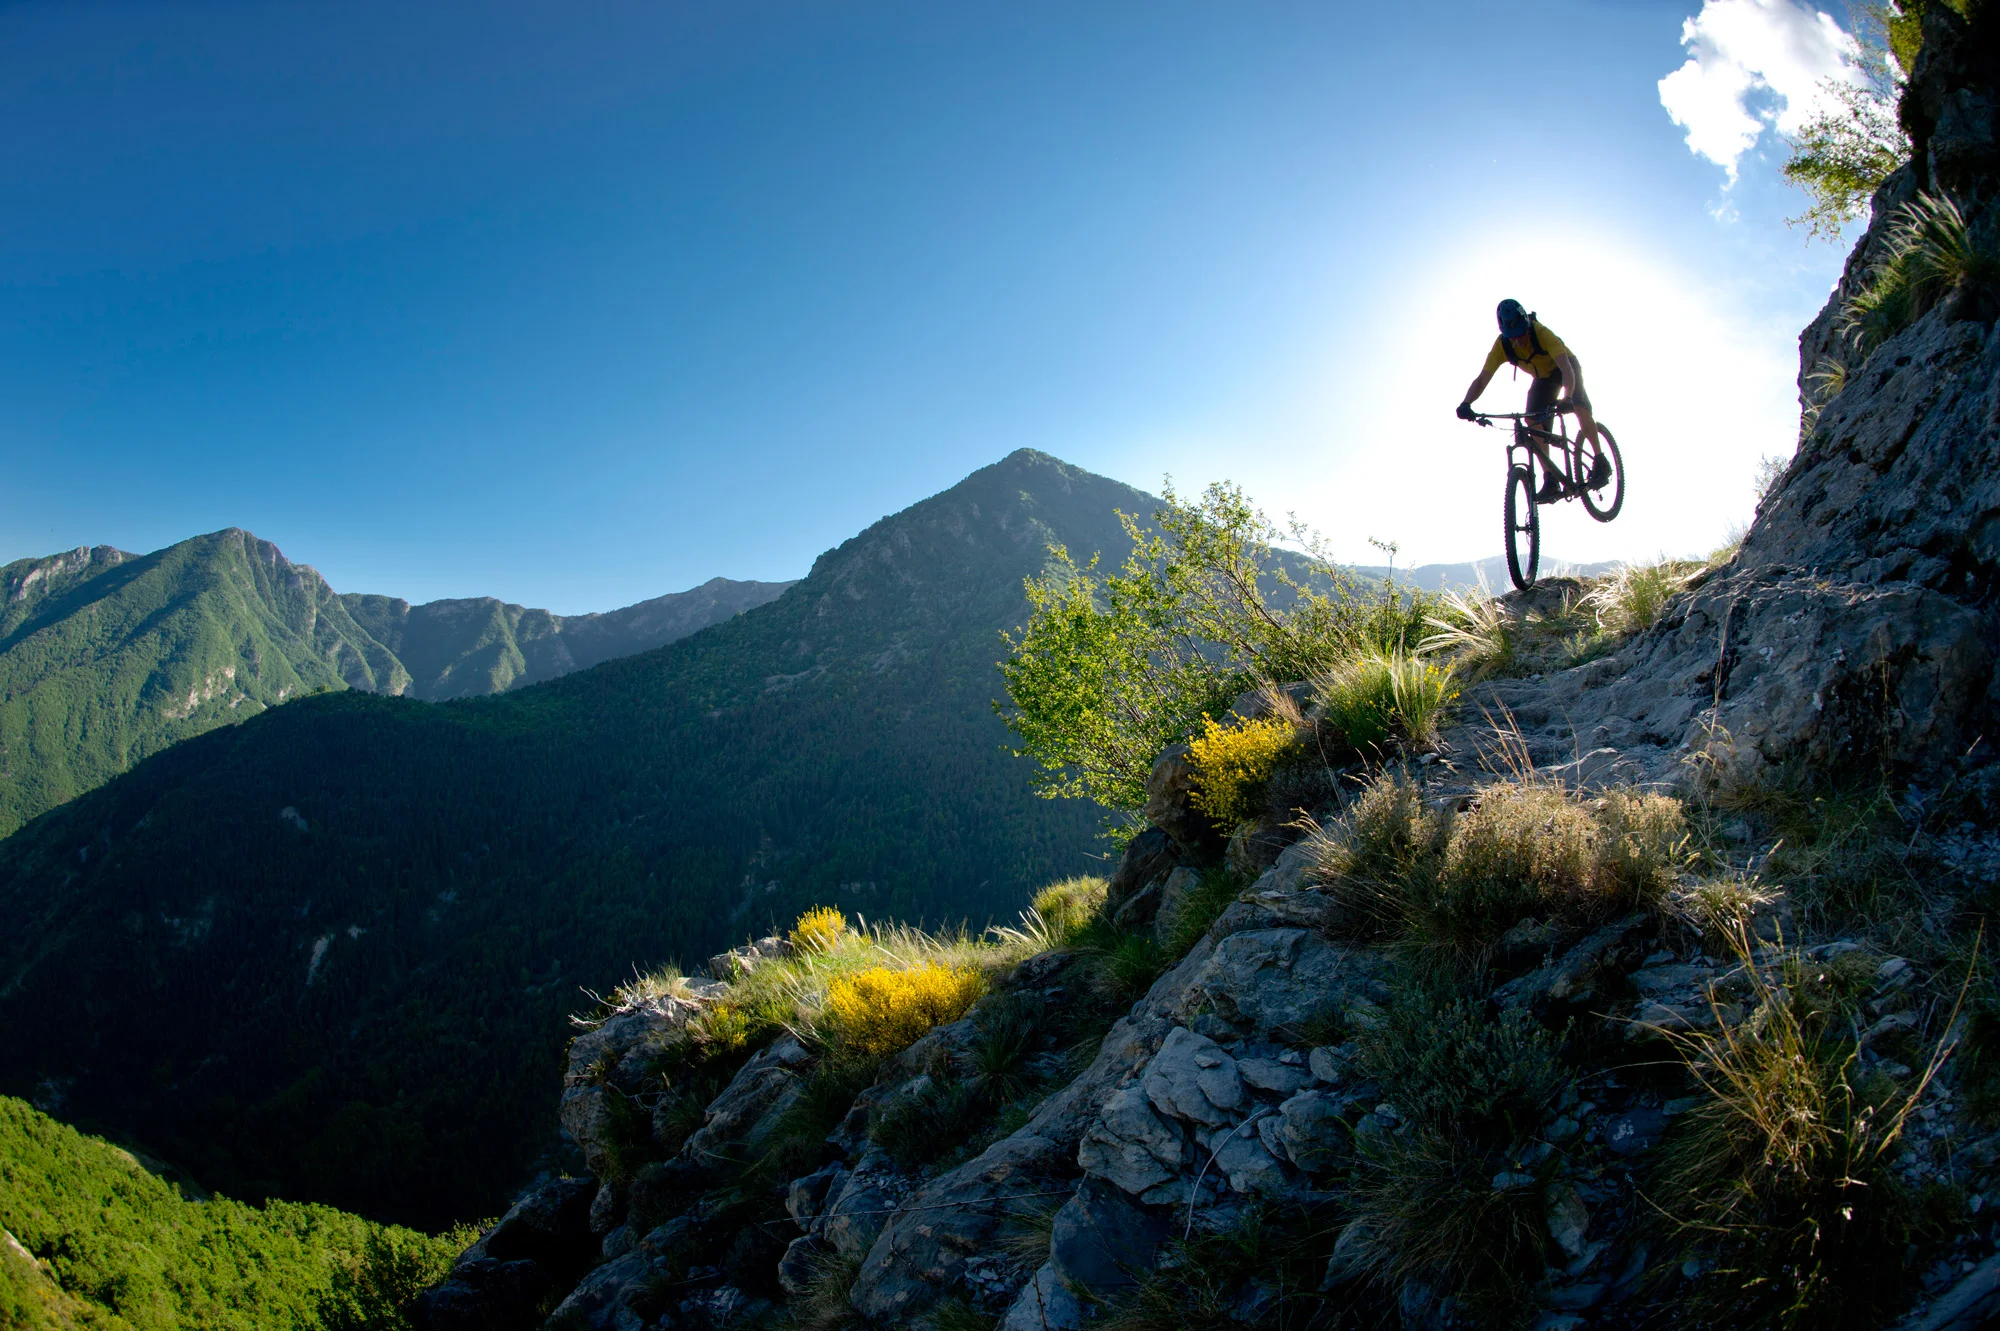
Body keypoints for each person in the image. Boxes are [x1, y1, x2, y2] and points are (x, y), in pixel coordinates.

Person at [1456, 299, 1603, 500]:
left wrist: (1567, 397)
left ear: (1527, 325)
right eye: (1512, 337)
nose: (1518, 341)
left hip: (1565, 368)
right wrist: (1466, 403)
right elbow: (1482, 379)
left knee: (1579, 406)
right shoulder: (1503, 346)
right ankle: (1550, 478)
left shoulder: (1541, 333)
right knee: (1532, 421)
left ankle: (1600, 460)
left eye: (1521, 334)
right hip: (1543, 379)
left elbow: (1567, 369)